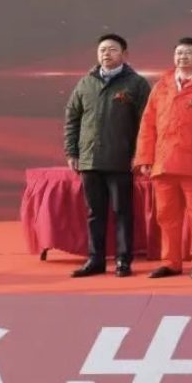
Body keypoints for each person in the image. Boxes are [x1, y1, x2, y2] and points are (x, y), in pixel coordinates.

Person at [134, 37, 192, 279]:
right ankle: (171, 261)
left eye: (187, 53)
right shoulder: (162, 86)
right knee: (166, 216)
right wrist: (144, 157)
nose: (182, 57)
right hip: (163, 162)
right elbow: (148, 124)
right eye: (178, 53)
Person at [65, 33, 153, 277]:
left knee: (122, 212)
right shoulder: (86, 83)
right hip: (89, 160)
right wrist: (72, 151)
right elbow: (72, 119)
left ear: (125, 54)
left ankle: (123, 260)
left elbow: (146, 123)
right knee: (94, 213)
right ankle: (95, 260)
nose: (106, 53)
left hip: (121, 160)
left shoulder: (136, 83)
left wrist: (140, 155)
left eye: (112, 49)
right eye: (102, 49)